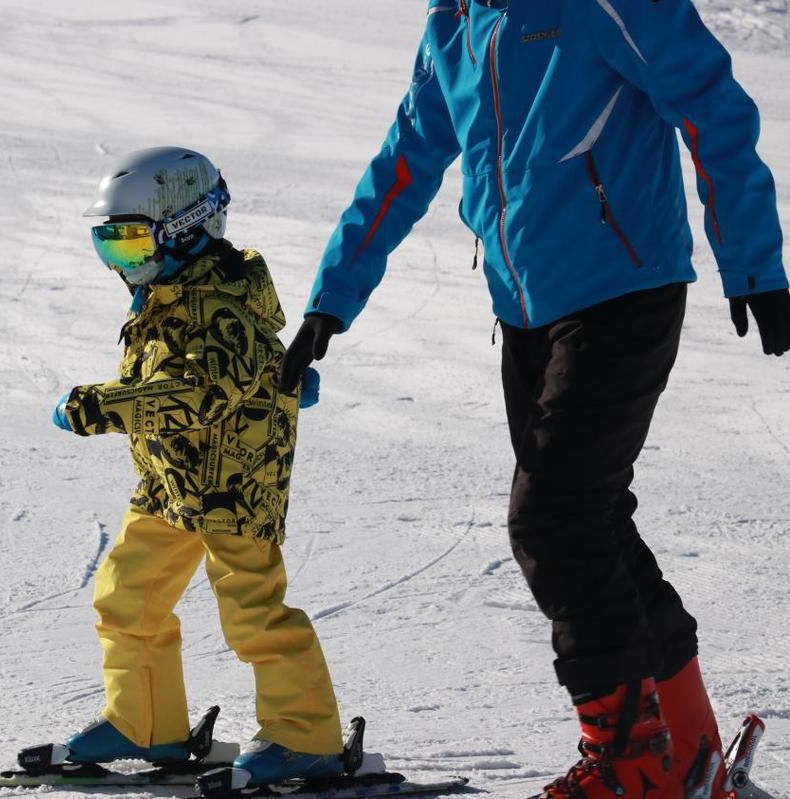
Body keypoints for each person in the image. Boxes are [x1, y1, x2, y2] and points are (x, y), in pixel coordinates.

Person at [277, 3, 789, 798]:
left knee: (555, 518)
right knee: (593, 518)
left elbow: (710, 102)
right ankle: (688, 753)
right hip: (526, 313)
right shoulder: (457, 20)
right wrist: (332, 297)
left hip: (626, 290)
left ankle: (633, 767)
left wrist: (754, 261)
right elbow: (408, 155)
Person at [51, 146, 342, 787]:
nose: (121, 265)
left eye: (130, 245)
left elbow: (203, 392)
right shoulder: (167, 292)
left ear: (186, 229)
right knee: (126, 598)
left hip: (235, 487)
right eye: (109, 248)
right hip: (171, 487)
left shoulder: (219, 303)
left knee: (253, 614)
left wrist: (105, 406)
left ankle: (305, 737)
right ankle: (146, 724)